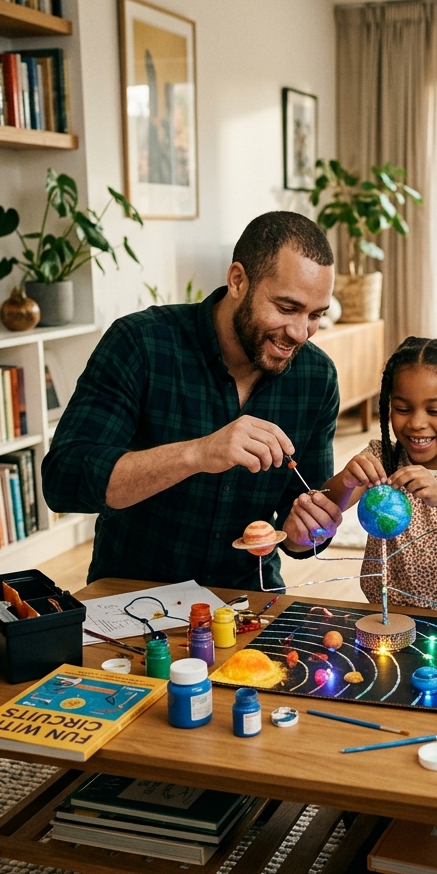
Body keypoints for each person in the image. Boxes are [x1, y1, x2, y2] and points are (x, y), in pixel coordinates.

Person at [42, 211, 344, 591]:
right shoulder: (141, 343)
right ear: (238, 281)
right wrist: (198, 453)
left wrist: (307, 531)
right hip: (132, 596)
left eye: (315, 315)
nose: (300, 333)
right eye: (286, 308)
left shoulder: (317, 377)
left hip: (247, 597)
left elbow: (296, 525)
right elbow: (64, 480)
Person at [320, 336, 437, 615]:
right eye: (402, 409)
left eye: (434, 411)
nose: (417, 423)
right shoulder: (380, 457)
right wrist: (347, 481)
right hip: (389, 615)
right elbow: (323, 510)